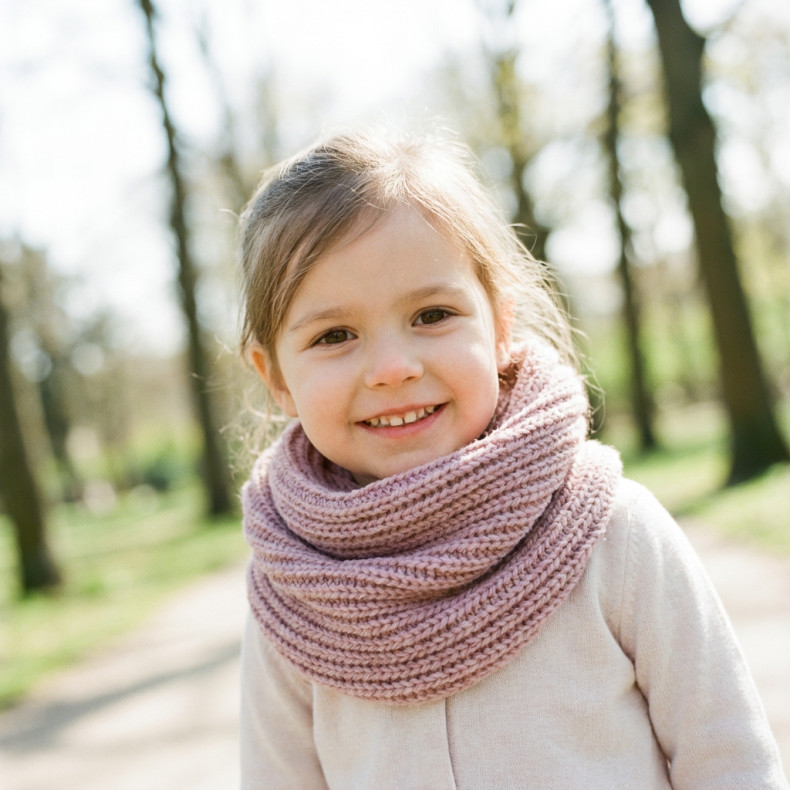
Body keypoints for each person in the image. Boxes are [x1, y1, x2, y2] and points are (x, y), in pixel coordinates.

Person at [236, 126, 788, 789]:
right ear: (275, 377)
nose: (392, 368)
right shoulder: (295, 593)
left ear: (499, 326)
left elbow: (730, 761)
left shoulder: (610, 530)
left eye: (432, 315)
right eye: (335, 335)